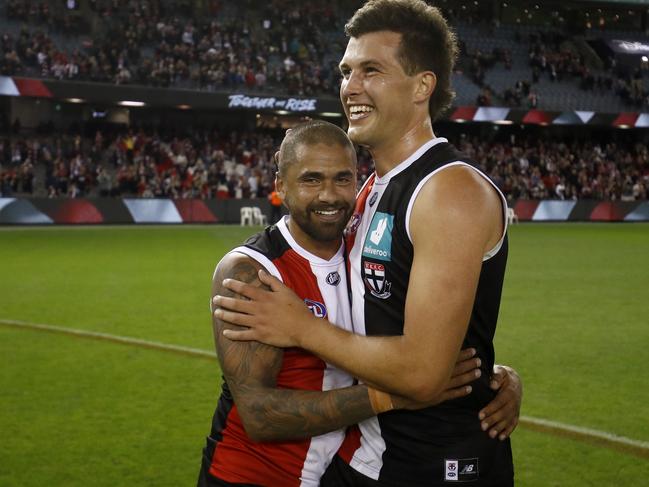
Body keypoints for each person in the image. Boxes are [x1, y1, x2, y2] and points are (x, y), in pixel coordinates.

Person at [214, 1, 519, 485]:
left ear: (422, 86)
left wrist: (302, 328)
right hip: (367, 455)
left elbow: (424, 373)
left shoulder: (448, 190)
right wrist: (496, 372)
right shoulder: (369, 189)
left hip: (435, 465)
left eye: (371, 70)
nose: (350, 87)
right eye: (346, 70)